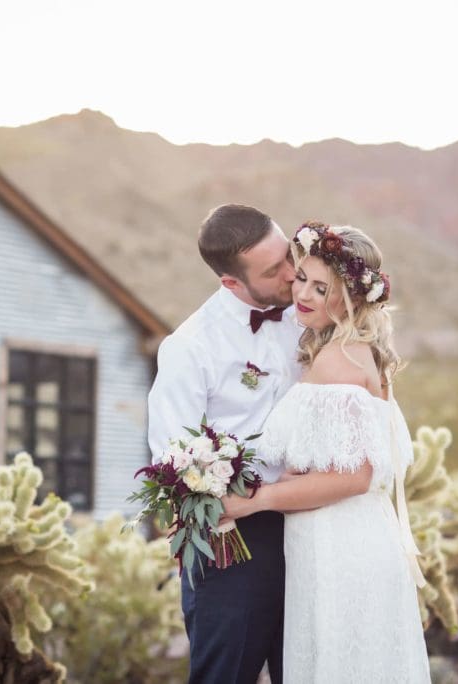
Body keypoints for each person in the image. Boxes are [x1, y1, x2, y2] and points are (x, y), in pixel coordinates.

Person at [220, 222, 431, 683]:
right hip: (339, 538)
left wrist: (256, 499)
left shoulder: (340, 359)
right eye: (303, 279)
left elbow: (353, 477)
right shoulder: (352, 351)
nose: (305, 295)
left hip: (340, 547)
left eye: (323, 288)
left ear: (353, 298)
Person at [146, 204, 302, 684]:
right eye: (274, 270)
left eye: (289, 256)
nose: (292, 274)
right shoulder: (191, 348)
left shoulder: (311, 312)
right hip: (232, 538)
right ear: (231, 283)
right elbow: (173, 460)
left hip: (313, 522)